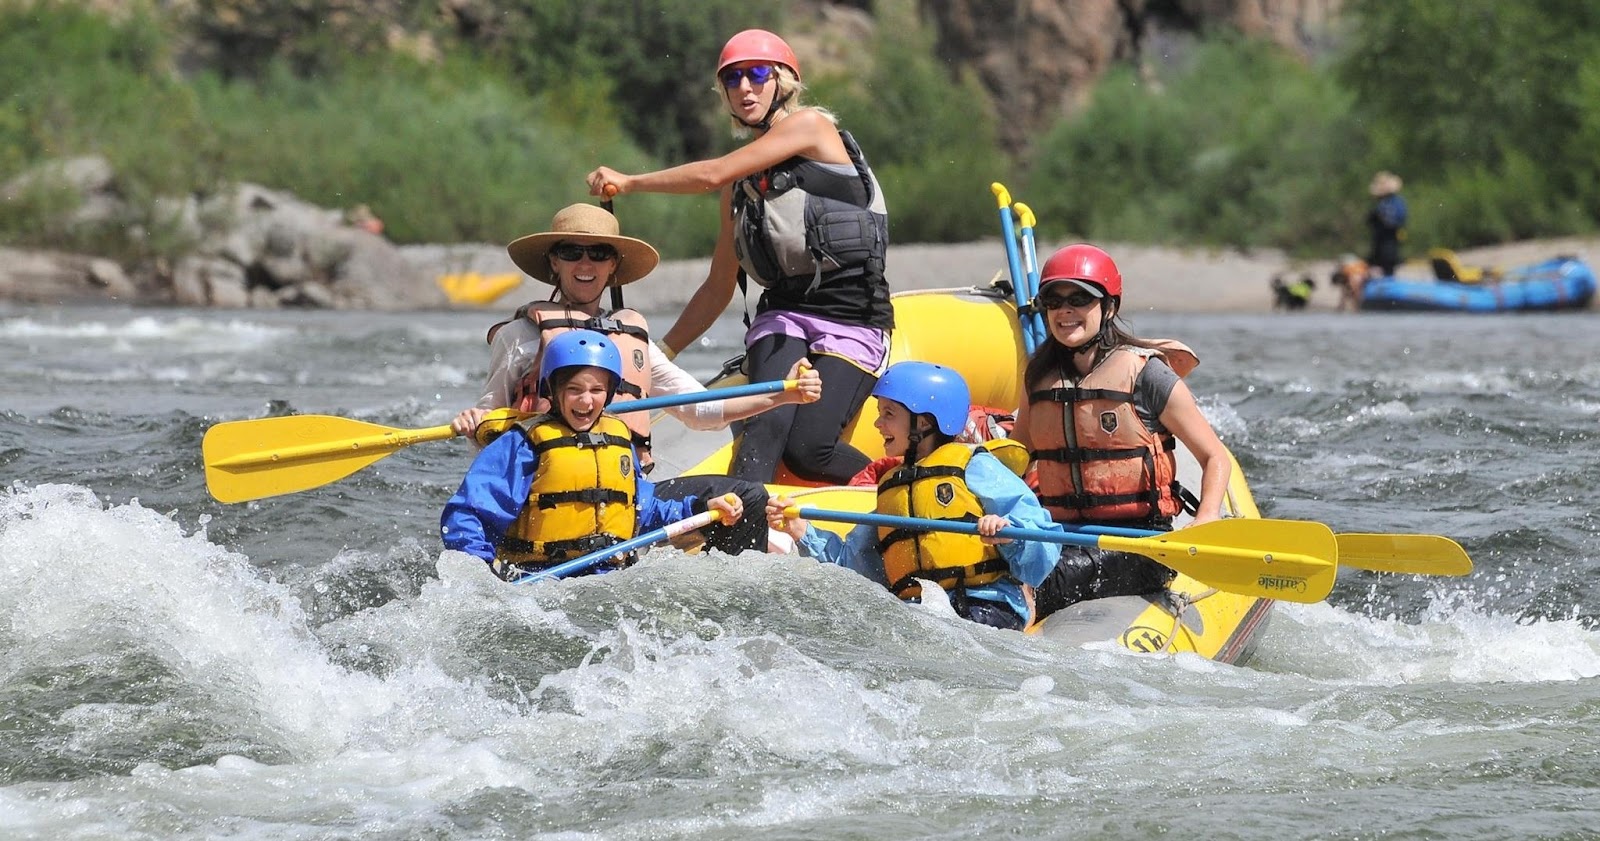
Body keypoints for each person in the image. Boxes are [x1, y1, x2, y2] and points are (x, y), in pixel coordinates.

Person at [585, 28, 892, 485]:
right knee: (763, 426)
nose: (744, 88)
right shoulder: (741, 186)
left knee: (808, 451)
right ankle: (742, 540)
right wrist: (659, 356)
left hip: (854, 320)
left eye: (756, 74)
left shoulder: (812, 128)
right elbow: (718, 287)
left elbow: (711, 173)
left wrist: (629, 182)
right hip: (784, 318)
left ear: (783, 81)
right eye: (732, 79)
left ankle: (895, 486)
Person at [452, 203, 821, 555]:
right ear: (553, 260)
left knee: (749, 497)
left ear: (612, 265)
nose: (585, 263)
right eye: (571, 252)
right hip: (548, 495)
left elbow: (702, 409)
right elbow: (489, 426)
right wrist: (474, 426)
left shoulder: (632, 339)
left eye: (598, 253)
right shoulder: (518, 337)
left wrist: (786, 395)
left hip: (631, 495)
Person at [1013, 244, 1232, 620]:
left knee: (1045, 580)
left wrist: (1206, 516)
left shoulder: (1147, 375)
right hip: (1060, 534)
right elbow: (1016, 458)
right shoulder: (1038, 377)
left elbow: (1215, 457)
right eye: (1053, 300)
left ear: (1109, 307)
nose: (1065, 310)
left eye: (1080, 299)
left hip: (1140, 544)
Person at [766, 362, 1061, 630]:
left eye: (889, 414)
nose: (878, 424)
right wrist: (801, 531)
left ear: (925, 423)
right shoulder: (893, 488)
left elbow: (1042, 544)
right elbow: (855, 566)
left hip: (985, 607)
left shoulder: (974, 466)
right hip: (919, 611)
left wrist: (1010, 534)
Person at [441, 330, 745, 580]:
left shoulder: (618, 440)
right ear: (553, 390)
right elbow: (468, 515)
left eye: (597, 390)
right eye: (574, 389)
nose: (586, 401)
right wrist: (480, 577)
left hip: (610, 579)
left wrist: (700, 508)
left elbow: (644, 510)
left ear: (609, 393)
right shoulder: (523, 444)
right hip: (540, 580)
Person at [1366, 171, 1407, 277]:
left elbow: (1399, 221)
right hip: (1379, 240)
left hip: (1390, 240)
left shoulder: (1397, 202)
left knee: (1388, 265)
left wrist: (1385, 220)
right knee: (1376, 264)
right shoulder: (1380, 204)